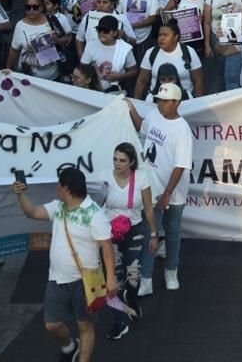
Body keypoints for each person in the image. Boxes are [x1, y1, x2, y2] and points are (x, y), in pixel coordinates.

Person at [13, 167, 116, 362]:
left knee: (85, 326)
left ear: (67, 189)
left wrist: (110, 279)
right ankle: (70, 345)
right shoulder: (58, 207)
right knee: (51, 325)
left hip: (85, 281)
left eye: (59, 185)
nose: (56, 188)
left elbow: (107, 248)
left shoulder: (94, 214)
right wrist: (21, 195)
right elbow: (32, 212)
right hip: (57, 279)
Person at [127, 83, 192, 295]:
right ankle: (146, 278)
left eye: (165, 101)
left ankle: (171, 271)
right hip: (150, 186)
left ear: (176, 103)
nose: (160, 104)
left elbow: (180, 165)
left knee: (172, 232)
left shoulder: (182, 129)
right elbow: (141, 128)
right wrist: (131, 110)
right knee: (149, 232)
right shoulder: (154, 115)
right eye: (159, 100)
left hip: (173, 192)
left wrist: (167, 194)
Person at [103, 143, 157, 340]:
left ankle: (131, 298)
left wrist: (153, 234)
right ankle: (119, 323)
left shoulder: (142, 177)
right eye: (115, 159)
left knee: (133, 278)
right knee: (114, 279)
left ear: (132, 162)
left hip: (135, 230)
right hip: (111, 233)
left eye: (122, 160)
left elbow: (149, 208)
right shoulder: (105, 177)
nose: (118, 164)